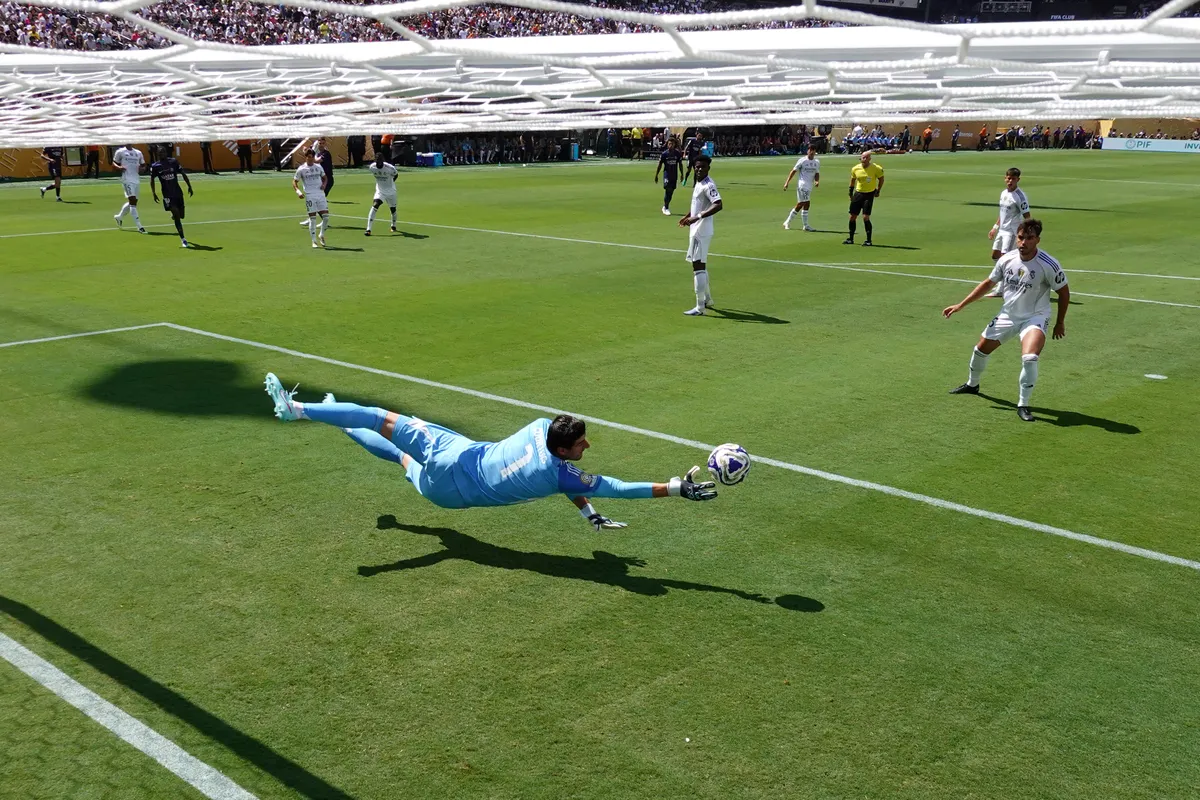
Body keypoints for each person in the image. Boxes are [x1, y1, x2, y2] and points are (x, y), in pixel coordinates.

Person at [262, 378, 718, 527]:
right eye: (580, 443)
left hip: (453, 454)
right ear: (562, 448)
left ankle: (304, 409)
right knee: (397, 454)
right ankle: (311, 410)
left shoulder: (542, 426)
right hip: (447, 494)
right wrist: (677, 488)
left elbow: (568, 478)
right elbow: (617, 488)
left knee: (381, 419)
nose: (587, 445)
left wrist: (584, 507)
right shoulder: (560, 475)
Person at [944, 218, 1069, 423]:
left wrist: (1060, 322)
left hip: (1035, 317)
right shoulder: (1007, 259)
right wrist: (960, 305)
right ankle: (972, 385)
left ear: (1037, 239)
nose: (1023, 243)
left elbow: (1064, 293)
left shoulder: (1048, 264)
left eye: (1029, 238)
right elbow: (988, 284)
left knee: (1030, 358)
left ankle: (1023, 404)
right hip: (1008, 315)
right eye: (1020, 238)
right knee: (980, 350)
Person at [679, 155, 722, 316]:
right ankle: (708, 300)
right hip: (697, 229)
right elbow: (698, 205)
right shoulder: (698, 183)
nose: (699, 169)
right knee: (701, 264)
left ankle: (700, 307)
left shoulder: (708, 185)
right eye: (697, 167)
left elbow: (718, 204)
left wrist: (697, 217)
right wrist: (688, 215)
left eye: (703, 167)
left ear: (708, 168)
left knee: (697, 266)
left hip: (701, 230)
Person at [149, 145, 193, 248]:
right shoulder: (156, 166)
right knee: (177, 215)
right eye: (160, 153)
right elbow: (152, 179)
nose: (162, 154)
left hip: (177, 192)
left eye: (163, 152)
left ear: (166, 153)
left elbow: (182, 173)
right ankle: (183, 239)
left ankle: (175, 215)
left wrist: (189, 186)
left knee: (181, 215)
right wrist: (153, 193)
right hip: (167, 194)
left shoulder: (173, 162)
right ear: (157, 154)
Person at [844, 151, 884, 246]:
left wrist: (878, 190)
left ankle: (868, 240)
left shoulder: (876, 168)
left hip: (869, 194)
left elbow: (881, 178)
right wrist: (850, 192)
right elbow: (852, 180)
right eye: (863, 158)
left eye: (866, 158)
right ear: (860, 158)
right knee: (852, 216)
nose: (864, 159)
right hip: (858, 194)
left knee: (865, 217)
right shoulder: (855, 169)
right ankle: (851, 238)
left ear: (870, 159)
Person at [293, 148, 329, 249]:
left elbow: (325, 178)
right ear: (306, 157)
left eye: (312, 157)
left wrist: (324, 185)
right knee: (312, 219)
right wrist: (298, 192)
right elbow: (294, 182)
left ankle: (321, 234)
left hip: (320, 194)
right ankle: (314, 241)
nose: (311, 159)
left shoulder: (318, 167)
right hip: (309, 195)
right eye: (309, 157)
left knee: (326, 217)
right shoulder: (301, 169)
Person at [782, 144, 820, 231]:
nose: (812, 152)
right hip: (802, 185)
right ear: (808, 150)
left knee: (802, 205)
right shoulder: (802, 160)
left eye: (813, 151)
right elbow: (793, 171)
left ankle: (795, 223)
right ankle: (799, 224)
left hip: (809, 186)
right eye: (810, 150)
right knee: (806, 203)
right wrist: (787, 182)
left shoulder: (817, 162)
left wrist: (817, 181)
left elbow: (817, 173)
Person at [111, 144, 146, 233]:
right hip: (127, 179)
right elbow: (113, 163)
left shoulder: (138, 152)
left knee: (133, 202)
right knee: (133, 202)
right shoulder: (120, 151)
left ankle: (119, 217)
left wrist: (143, 168)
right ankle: (140, 227)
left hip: (136, 180)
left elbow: (143, 165)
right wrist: (119, 167)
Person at [365, 151, 398, 236]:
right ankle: (368, 229)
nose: (379, 162)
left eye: (380, 161)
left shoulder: (390, 168)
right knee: (375, 205)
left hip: (391, 191)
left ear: (383, 160)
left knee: (393, 209)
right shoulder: (372, 167)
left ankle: (393, 225)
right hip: (380, 191)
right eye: (377, 161)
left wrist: (390, 183)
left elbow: (396, 175)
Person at [653, 137, 682, 215]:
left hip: (674, 175)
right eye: (669, 144)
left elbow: (680, 164)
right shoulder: (664, 154)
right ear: (667, 144)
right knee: (668, 189)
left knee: (671, 191)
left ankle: (665, 206)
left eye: (672, 144)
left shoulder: (677, 153)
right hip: (667, 175)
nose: (671, 145)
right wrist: (656, 175)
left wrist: (682, 174)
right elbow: (659, 165)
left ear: (674, 144)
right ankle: (666, 207)